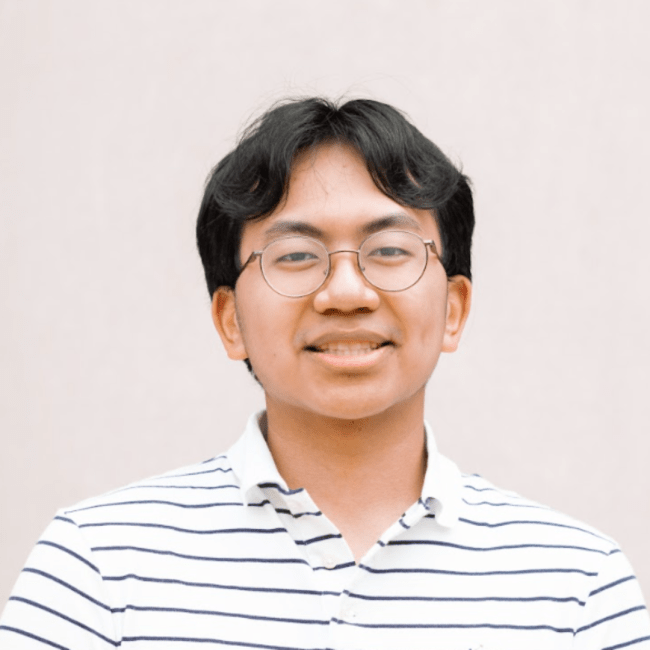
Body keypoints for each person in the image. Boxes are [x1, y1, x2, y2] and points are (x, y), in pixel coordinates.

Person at [1, 97, 648, 649]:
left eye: (390, 250)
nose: (345, 291)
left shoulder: (576, 589)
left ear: (454, 309)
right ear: (230, 320)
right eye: (296, 254)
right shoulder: (98, 569)